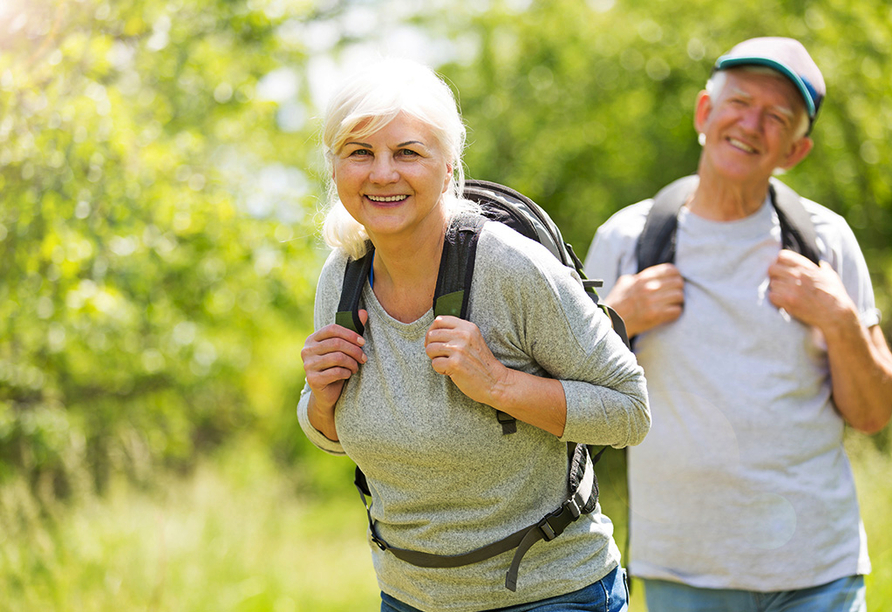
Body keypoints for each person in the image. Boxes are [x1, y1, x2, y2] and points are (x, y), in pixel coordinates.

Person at [296, 58, 650, 612]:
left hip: (551, 596)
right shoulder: (342, 278)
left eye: (408, 152)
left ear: (447, 165)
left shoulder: (509, 270)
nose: (382, 173)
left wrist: (499, 385)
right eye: (359, 152)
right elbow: (333, 432)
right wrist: (320, 399)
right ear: (335, 165)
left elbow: (630, 411)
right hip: (410, 597)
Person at [584, 37, 892, 611]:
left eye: (777, 117)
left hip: (819, 567)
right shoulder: (627, 241)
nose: (752, 124)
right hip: (684, 568)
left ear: (797, 149)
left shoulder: (826, 242)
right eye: (740, 102)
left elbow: (873, 414)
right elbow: (573, 407)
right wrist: (615, 322)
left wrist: (840, 319)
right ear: (706, 112)